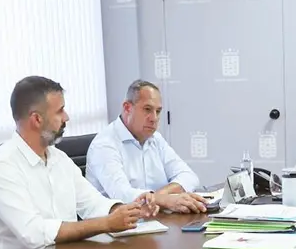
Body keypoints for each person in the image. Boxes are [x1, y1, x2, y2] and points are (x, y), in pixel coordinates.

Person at [0, 76, 153, 249]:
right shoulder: (2, 167)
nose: (66, 117)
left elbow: (92, 203)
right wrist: (107, 223)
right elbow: (34, 234)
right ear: (37, 119)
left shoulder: (58, 158)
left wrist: (125, 211)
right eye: (60, 111)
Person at [86, 80, 208, 214]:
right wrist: (162, 199)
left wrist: (158, 197)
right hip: (114, 229)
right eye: (147, 109)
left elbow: (189, 176)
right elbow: (122, 194)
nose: (154, 118)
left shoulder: (155, 139)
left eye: (158, 111)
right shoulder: (104, 145)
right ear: (127, 108)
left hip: (153, 220)